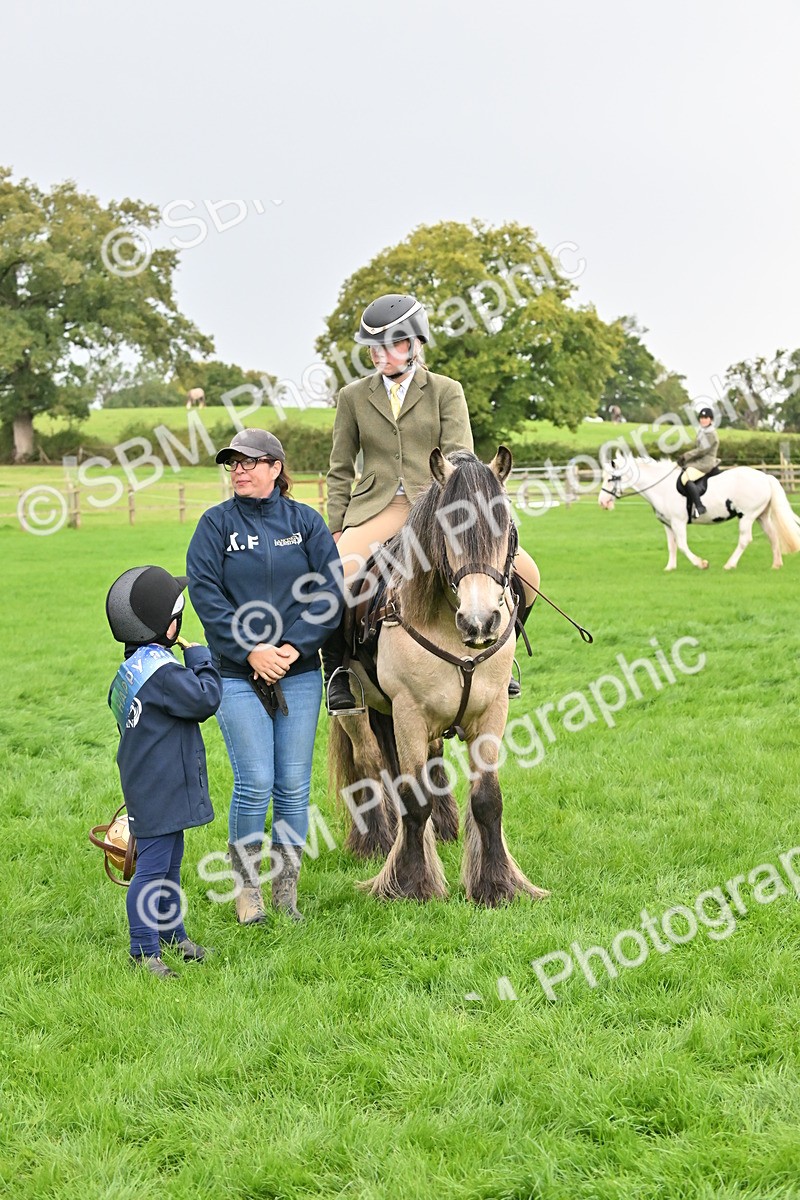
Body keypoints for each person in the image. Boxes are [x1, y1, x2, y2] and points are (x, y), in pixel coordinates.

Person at [323, 292, 541, 708]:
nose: (378, 354)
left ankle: (502, 659)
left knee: (528, 573)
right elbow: (340, 468)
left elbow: (460, 459)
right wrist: (337, 526)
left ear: (414, 344)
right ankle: (338, 671)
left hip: (440, 510)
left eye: (389, 344)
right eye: (373, 346)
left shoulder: (446, 390)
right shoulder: (352, 397)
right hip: (378, 508)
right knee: (336, 573)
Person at [186, 429, 343, 925]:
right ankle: (247, 888)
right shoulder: (215, 524)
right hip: (235, 673)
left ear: (276, 468)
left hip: (297, 673)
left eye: (250, 461)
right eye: (232, 462)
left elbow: (330, 591)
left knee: (294, 786)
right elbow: (206, 593)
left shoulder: (306, 522)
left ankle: (286, 892)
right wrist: (250, 651)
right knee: (255, 782)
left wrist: (293, 647)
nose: (239, 469)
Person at [105, 565, 222, 980]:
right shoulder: (166, 673)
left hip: (154, 784)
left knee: (169, 864)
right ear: (170, 629)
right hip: (161, 788)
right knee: (152, 869)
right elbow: (205, 699)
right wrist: (201, 659)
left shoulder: (134, 671)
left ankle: (174, 936)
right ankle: (143, 952)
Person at [678, 407, 720, 517]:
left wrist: (685, 456)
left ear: (710, 419)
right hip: (699, 461)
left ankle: (699, 506)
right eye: (701, 418)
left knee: (686, 477)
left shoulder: (711, 434)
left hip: (706, 463)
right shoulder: (703, 431)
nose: (703, 420)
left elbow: (701, 450)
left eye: (705, 418)